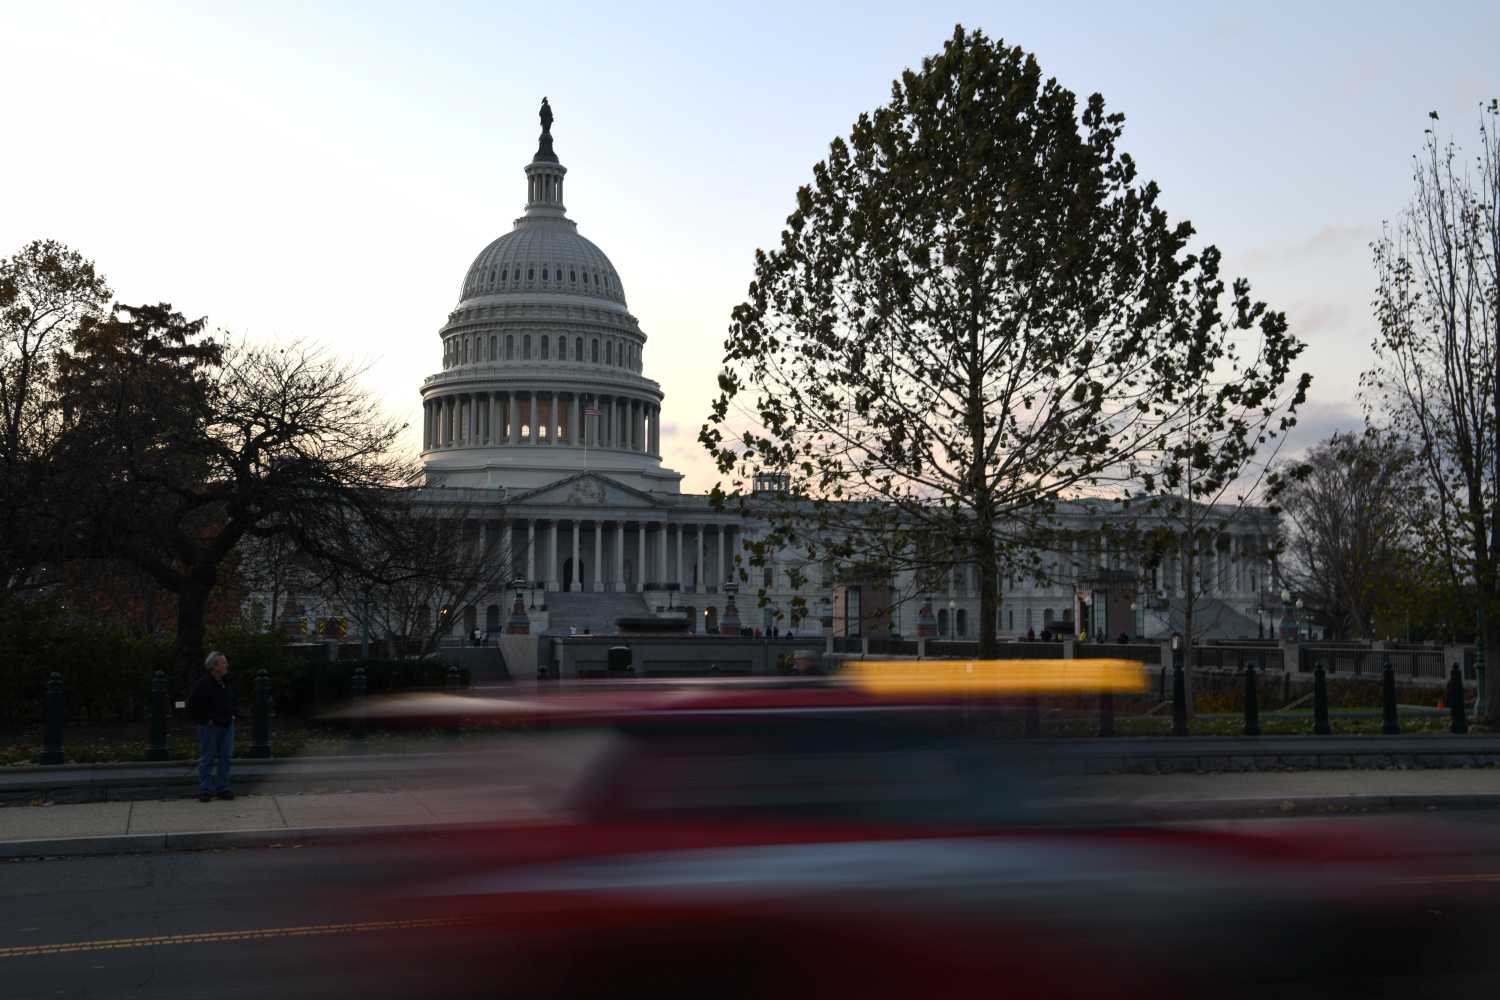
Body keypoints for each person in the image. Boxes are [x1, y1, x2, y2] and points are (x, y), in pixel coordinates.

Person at [187, 651, 237, 803]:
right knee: (208, 758)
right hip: (211, 726)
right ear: (214, 666)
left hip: (227, 724)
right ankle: (206, 790)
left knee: (225, 757)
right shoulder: (203, 684)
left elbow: (233, 699)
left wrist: (234, 713)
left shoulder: (226, 681)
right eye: (223, 662)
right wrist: (205, 720)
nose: (226, 665)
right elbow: (192, 705)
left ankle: (223, 788)